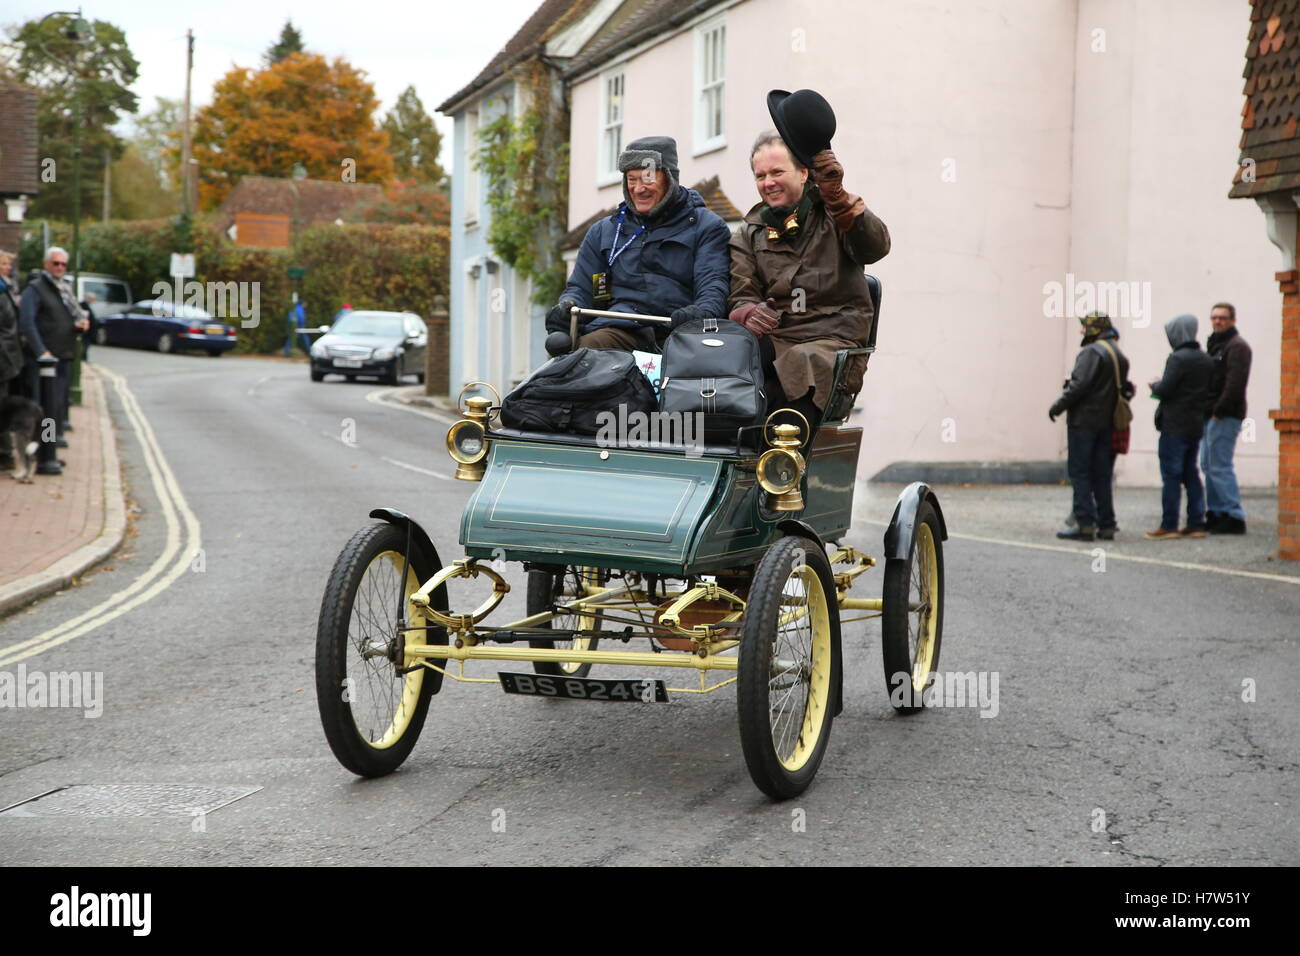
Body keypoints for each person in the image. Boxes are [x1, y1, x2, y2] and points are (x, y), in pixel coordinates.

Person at [729, 92, 890, 439]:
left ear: (804, 173)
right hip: (778, 338)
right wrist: (748, 312)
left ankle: (785, 474)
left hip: (833, 342)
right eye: (760, 175)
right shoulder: (749, 233)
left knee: (803, 362)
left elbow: (876, 247)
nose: (767, 182)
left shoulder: (836, 214)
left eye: (776, 171)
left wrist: (840, 198)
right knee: (722, 358)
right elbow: (741, 293)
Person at [546, 135, 730, 352]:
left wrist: (701, 312)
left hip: (679, 335)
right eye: (631, 179)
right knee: (585, 356)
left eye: (647, 178)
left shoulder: (706, 227)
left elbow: (713, 287)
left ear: (670, 178)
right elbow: (583, 290)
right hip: (618, 331)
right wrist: (568, 307)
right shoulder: (604, 233)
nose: (638, 188)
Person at [1049, 312, 1134, 541]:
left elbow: (1079, 387)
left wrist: (1057, 406)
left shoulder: (1091, 352)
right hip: (1107, 423)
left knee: (1080, 473)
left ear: (1094, 328)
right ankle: (1107, 524)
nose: (1082, 331)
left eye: (1085, 326)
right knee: (1102, 474)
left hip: (1084, 423)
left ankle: (1084, 524)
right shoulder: (1117, 352)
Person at [1146, 314, 1214, 540]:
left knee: (1171, 475)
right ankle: (1196, 523)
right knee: (1191, 474)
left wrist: (1154, 384)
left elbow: (1165, 389)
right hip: (1195, 424)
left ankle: (1170, 525)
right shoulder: (1205, 359)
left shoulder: (1177, 358)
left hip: (1174, 425)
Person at [18, 247, 90, 448]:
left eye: (63, 264)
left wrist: (77, 326)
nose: (59, 267)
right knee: (43, 407)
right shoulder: (35, 289)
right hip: (41, 360)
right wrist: (41, 350)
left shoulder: (63, 288)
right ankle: (42, 449)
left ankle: (49, 444)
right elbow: (27, 323)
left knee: (55, 405)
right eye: (55, 263)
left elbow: (61, 319)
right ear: (46, 264)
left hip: (61, 356)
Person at [1202, 302, 1252, 534]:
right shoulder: (1216, 345)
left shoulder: (1237, 347)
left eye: (1222, 317)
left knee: (1219, 465)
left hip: (1224, 415)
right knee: (1208, 464)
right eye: (1214, 317)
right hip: (1211, 415)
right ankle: (1216, 512)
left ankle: (1233, 515)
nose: (1217, 321)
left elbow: (1235, 384)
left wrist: (1218, 411)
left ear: (1232, 320)